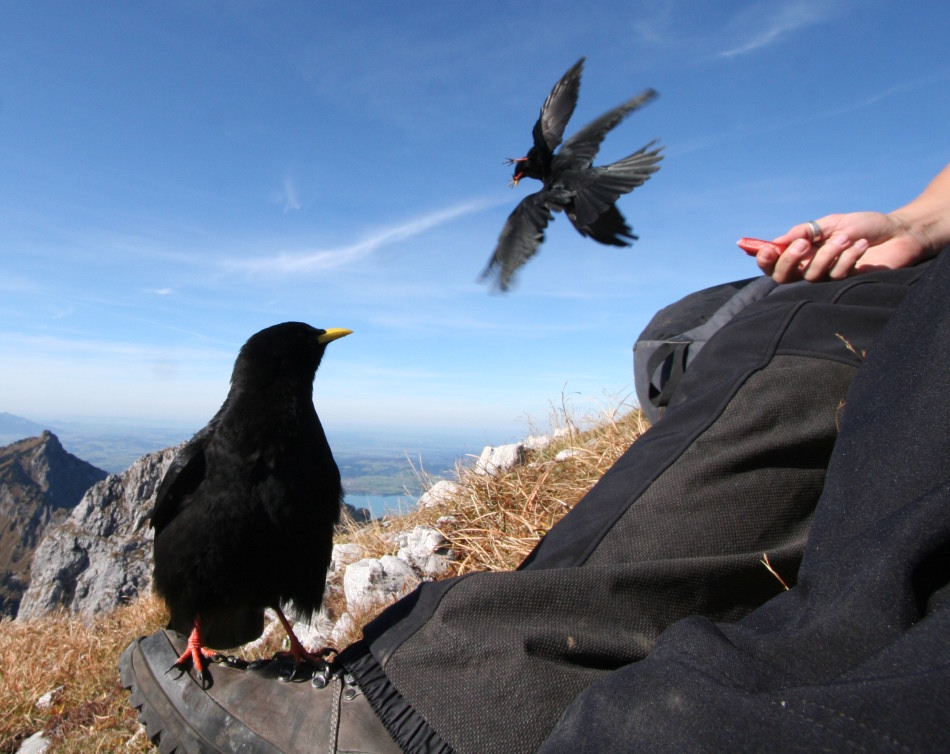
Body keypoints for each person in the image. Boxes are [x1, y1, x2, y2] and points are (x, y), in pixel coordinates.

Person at [120, 163, 950, 753]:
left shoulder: (298, 438)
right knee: (719, 327)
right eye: (314, 340)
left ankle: (411, 716)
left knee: (783, 339)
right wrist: (918, 220)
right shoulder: (212, 451)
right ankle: (269, 659)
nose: (328, 340)